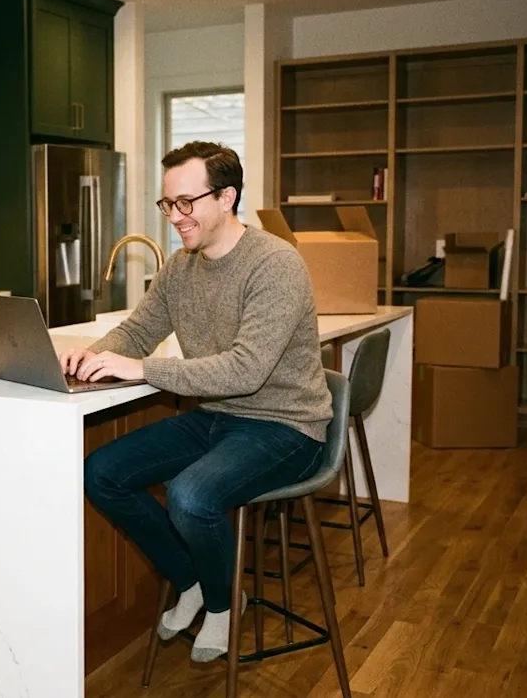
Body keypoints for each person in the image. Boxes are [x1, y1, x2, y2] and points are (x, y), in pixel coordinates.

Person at [60, 141, 333, 662]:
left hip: (286, 427)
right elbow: (138, 331)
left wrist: (142, 370)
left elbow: (246, 369)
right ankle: (191, 582)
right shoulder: (181, 268)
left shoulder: (275, 264)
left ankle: (225, 605)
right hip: (218, 416)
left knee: (190, 497)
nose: (175, 217)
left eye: (187, 203)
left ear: (226, 197)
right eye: (168, 205)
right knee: (102, 473)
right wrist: (88, 359)